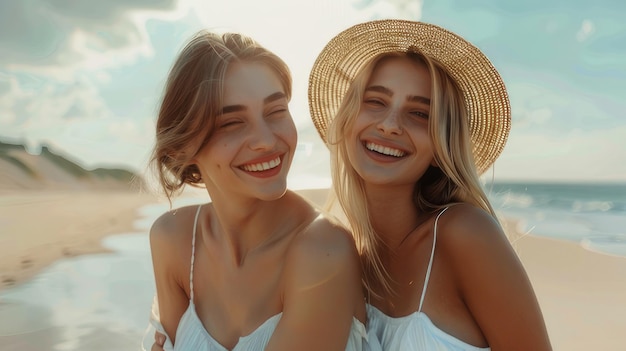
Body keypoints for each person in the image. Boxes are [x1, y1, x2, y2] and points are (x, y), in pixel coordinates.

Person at [308, 19, 553, 350]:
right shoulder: (350, 262)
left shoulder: (463, 233)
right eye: (376, 101)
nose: (391, 125)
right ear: (348, 120)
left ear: (440, 150)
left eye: (420, 114)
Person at [144, 29, 376, 351]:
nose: (266, 140)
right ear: (184, 147)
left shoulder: (322, 250)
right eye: (231, 123)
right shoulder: (173, 239)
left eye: (275, 112)